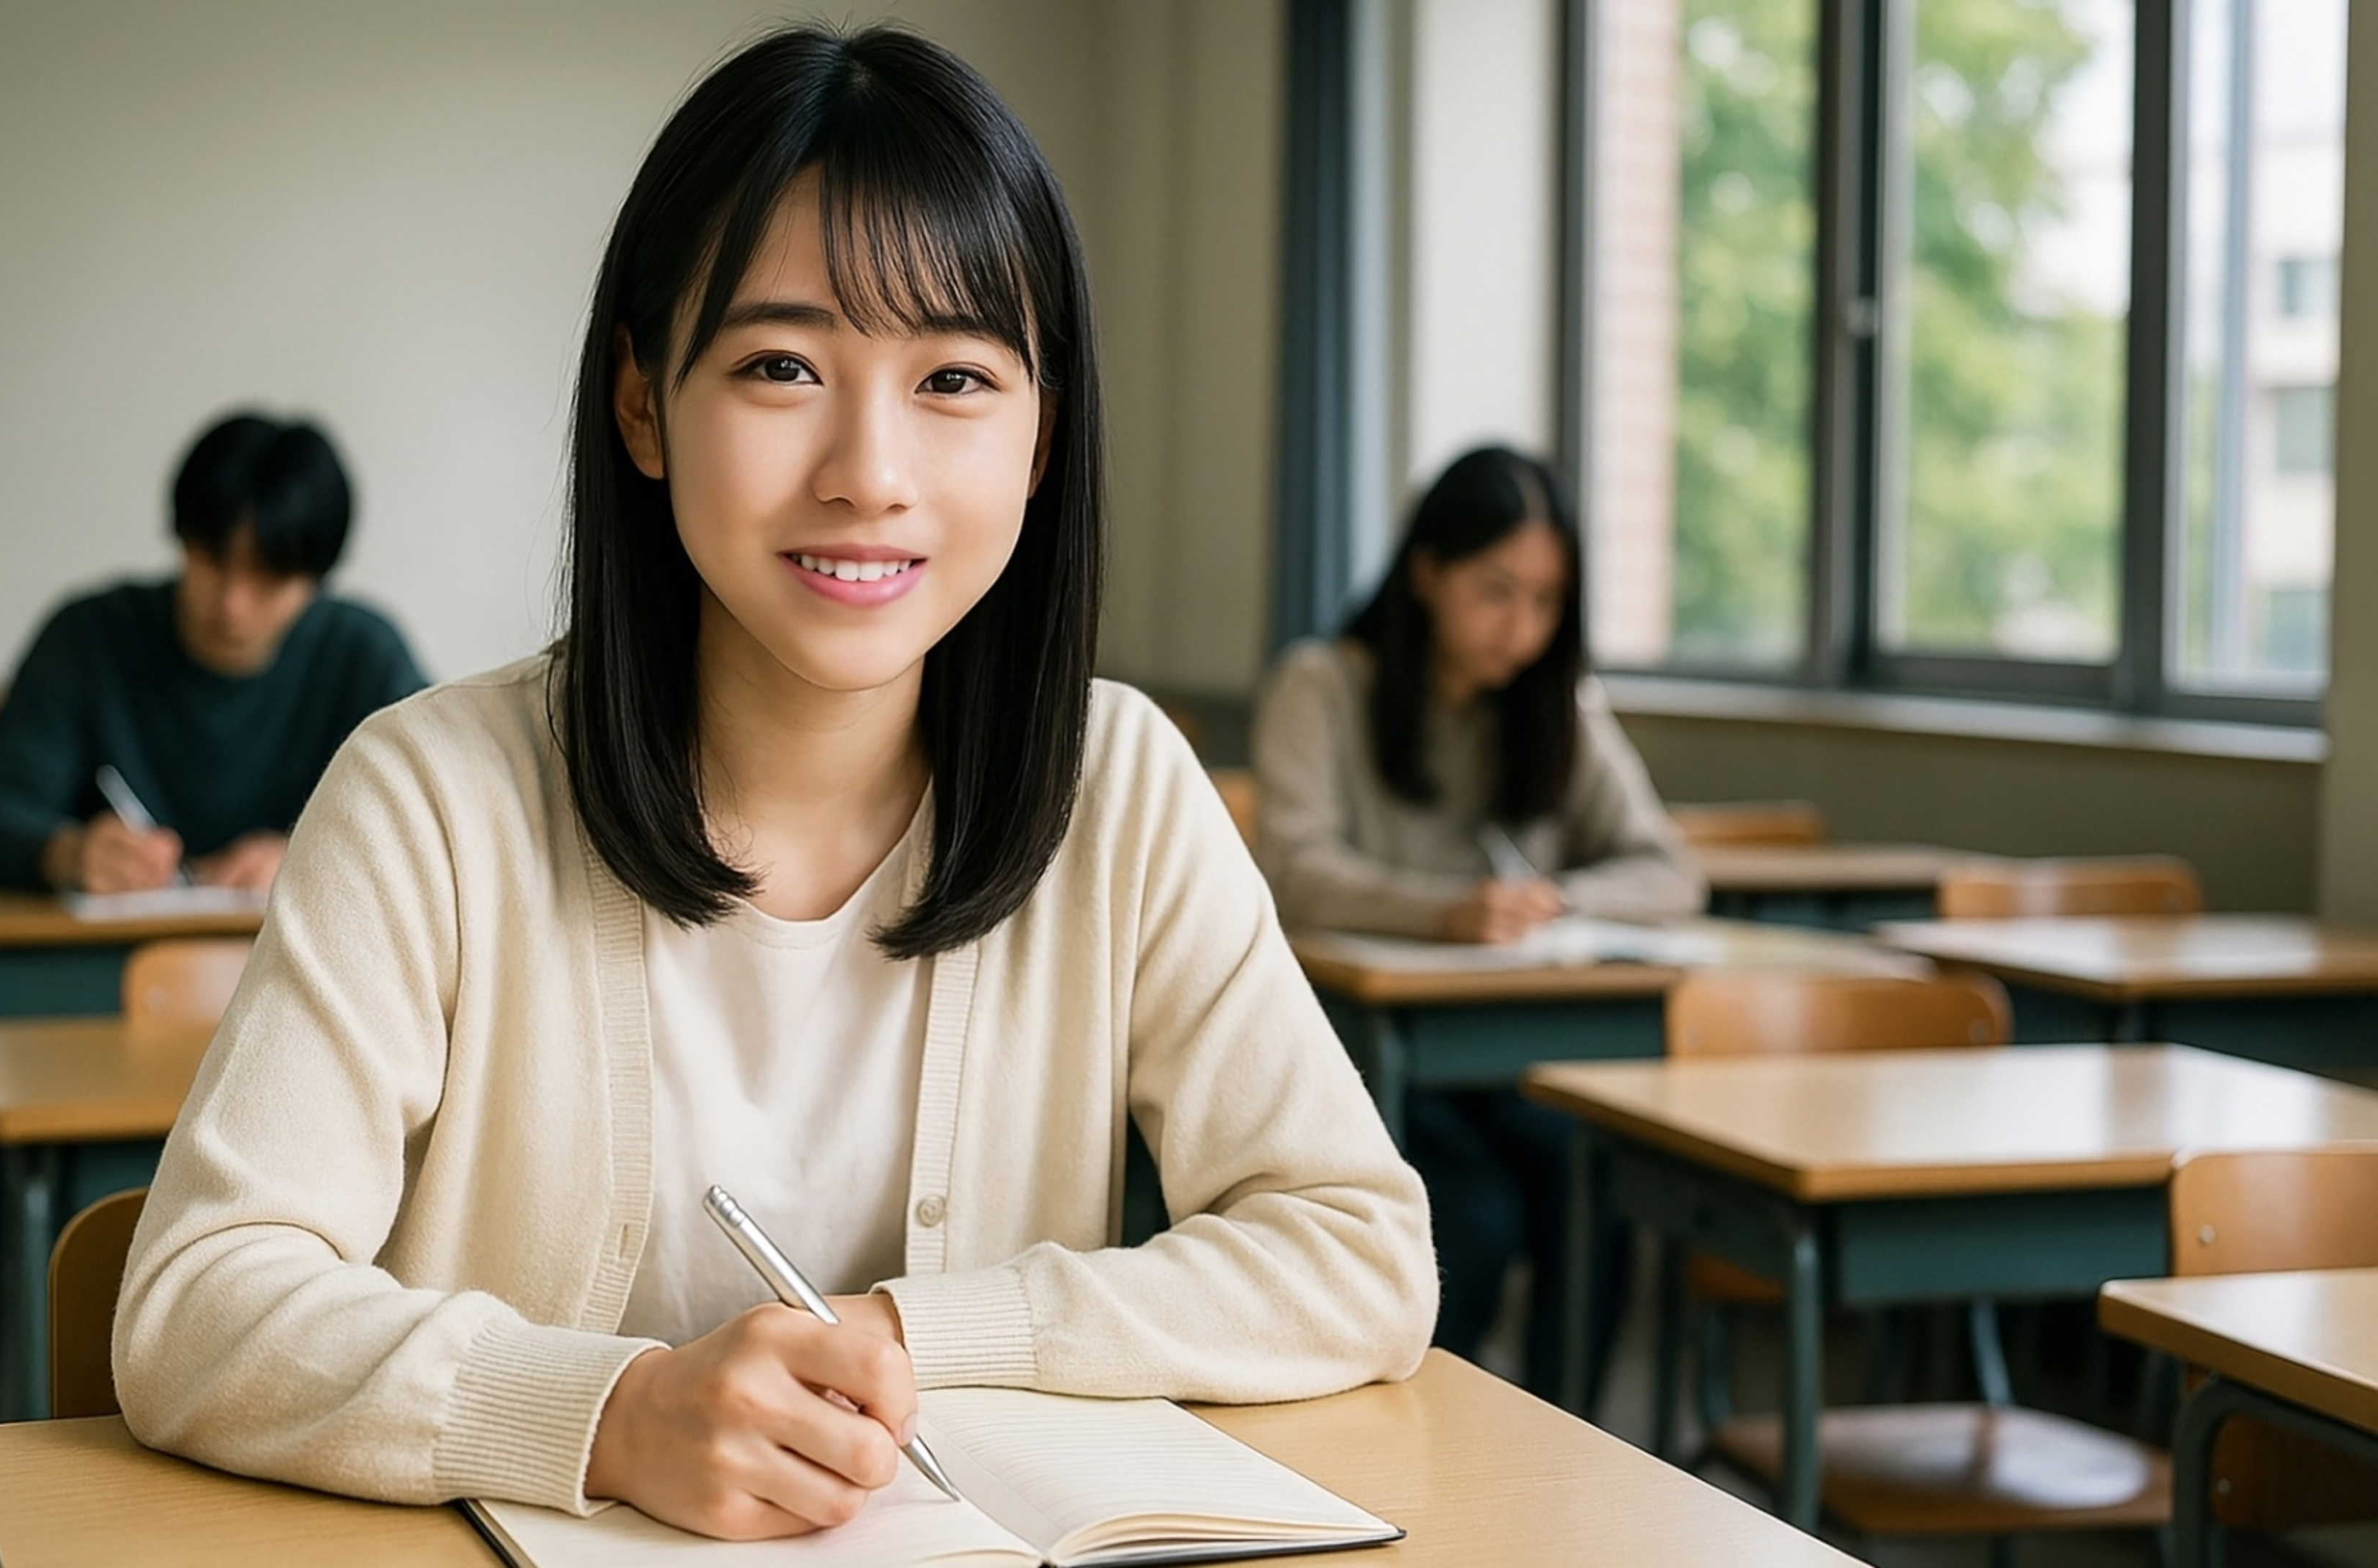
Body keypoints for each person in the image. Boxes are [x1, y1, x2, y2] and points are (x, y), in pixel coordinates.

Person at [113, 24, 1432, 1543]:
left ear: (1042, 434)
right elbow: (196, 1307)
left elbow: (1356, 1250)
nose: (869, 470)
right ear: (643, 405)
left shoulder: (1115, 783)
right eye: (781, 365)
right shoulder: (433, 800)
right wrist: (605, 1418)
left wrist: (915, 1335)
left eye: (953, 376)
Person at [1251, 444, 1702, 1402]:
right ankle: (1426, 1455)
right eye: (1496, 591)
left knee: (1591, 1190)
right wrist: (1444, 913)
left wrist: (1558, 899)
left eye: (1546, 602)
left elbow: (1669, 870)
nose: (1522, 628)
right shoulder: (1321, 686)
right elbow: (1292, 873)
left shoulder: (1556, 702)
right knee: (1470, 1215)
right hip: (1353, 1054)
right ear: (1426, 571)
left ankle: (1568, 1452)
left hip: (1498, 1057)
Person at [0, 412, 425, 896]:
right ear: (181, 539)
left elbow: (443, 819)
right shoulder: (90, 637)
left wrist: (318, 860)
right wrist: (65, 854)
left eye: (269, 577)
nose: (233, 603)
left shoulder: (364, 655)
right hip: (103, 963)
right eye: (214, 560)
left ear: (316, 579)